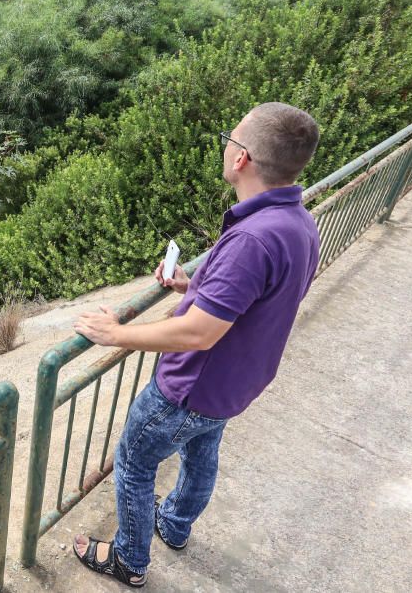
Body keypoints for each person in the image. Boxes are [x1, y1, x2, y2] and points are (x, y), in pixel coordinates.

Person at [71, 103, 321, 588]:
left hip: (191, 387)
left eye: (231, 137)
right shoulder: (298, 223)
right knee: (202, 453)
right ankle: (176, 525)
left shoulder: (253, 238)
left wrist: (116, 334)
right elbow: (263, 298)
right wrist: (195, 289)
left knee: (134, 463)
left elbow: (199, 334)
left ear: (242, 158)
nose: (226, 145)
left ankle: (129, 560)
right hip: (236, 383)